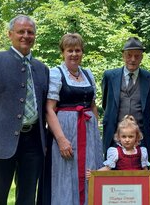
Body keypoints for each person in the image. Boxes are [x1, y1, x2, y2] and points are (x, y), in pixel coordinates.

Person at [0, 15, 49, 205]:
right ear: (10, 34)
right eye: (21, 31)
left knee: (28, 198)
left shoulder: (42, 68)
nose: (26, 35)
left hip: (34, 144)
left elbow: (46, 108)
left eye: (30, 32)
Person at [41, 33, 103, 205]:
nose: (74, 54)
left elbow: (92, 106)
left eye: (78, 50)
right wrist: (61, 140)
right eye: (70, 50)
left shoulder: (88, 74)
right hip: (66, 132)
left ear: (82, 52)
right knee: (65, 174)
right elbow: (49, 109)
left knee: (89, 172)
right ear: (63, 52)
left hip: (88, 132)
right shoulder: (56, 73)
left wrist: (96, 136)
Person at [102, 37, 150, 157]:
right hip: (114, 137)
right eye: (129, 55)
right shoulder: (109, 76)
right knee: (112, 172)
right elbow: (105, 103)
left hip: (141, 138)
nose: (132, 59)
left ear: (142, 57)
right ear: (123, 55)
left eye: (137, 56)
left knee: (140, 173)